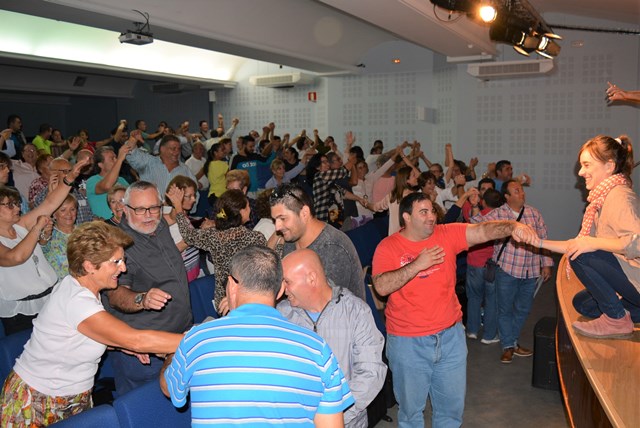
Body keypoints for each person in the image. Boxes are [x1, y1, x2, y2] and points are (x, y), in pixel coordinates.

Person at [372, 192, 541, 427]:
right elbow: (381, 286)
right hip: (408, 342)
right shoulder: (389, 246)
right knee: (411, 414)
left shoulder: (446, 234)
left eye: (432, 210)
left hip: (450, 338)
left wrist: (513, 226)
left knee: (451, 412)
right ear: (407, 217)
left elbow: (483, 231)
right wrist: (418, 264)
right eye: (424, 212)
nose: (431, 216)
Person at [0, 221, 183, 426]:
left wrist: (121, 343)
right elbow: (138, 340)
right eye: (116, 262)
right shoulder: (76, 301)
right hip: (38, 401)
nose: (123, 268)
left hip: (72, 396)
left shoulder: (82, 288)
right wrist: (203, 338)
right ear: (89, 266)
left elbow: (88, 335)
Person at [160, 245, 354, 427]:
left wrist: (171, 356)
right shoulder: (317, 348)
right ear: (280, 291)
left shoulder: (196, 340)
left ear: (231, 285)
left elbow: (169, 389)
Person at [532, 134, 640, 339]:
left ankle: (617, 320)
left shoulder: (620, 196)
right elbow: (578, 243)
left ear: (609, 166)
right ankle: (623, 313)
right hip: (630, 279)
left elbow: (637, 244)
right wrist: (536, 242)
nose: (581, 172)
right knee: (583, 304)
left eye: (587, 165)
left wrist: (592, 242)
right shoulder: (601, 200)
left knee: (581, 254)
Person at [278, 249, 387, 428]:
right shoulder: (282, 314)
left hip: (346, 421)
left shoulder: (355, 311)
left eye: (287, 282)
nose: (283, 289)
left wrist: (332, 418)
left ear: (311, 279)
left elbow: (370, 373)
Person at [102, 181, 192, 395]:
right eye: (140, 209)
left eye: (154, 207)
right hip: (145, 354)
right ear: (124, 209)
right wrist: (142, 299)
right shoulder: (117, 245)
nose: (149, 215)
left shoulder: (158, 225)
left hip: (179, 338)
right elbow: (116, 296)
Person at [0, 156, 89, 334]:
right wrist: (38, 227)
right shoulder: (25, 226)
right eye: (10, 205)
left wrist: (69, 178)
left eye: (17, 203)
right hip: (21, 312)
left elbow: (50, 203)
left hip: (49, 300)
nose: (17, 208)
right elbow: (15, 257)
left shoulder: (20, 225)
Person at [472, 179, 553, 363]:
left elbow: (543, 239)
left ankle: (512, 341)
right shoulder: (499, 214)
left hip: (531, 271)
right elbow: (477, 223)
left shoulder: (534, 213)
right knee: (505, 309)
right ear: (507, 197)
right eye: (516, 191)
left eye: (522, 190)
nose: (522, 193)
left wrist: (546, 263)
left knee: (523, 309)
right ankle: (508, 345)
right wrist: (475, 204)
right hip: (506, 270)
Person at [167, 187, 266, 315]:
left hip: (223, 302)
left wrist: (178, 208)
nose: (250, 209)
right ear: (240, 212)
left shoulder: (213, 236)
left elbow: (187, 235)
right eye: (247, 207)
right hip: (250, 299)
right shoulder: (255, 238)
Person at [268, 183, 365, 301]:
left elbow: (328, 308)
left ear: (304, 213)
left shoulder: (333, 247)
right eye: (275, 220)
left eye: (283, 218)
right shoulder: (291, 240)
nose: (277, 227)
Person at [163, 176, 201, 282]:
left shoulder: (183, 213)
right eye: (189, 196)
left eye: (194, 195)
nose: (194, 199)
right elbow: (171, 251)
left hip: (191, 269)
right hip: (181, 275)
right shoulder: (168, 214)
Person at [86, 144, 131, 219]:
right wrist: (119, 160)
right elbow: (107, 186)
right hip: (105, 227)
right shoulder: (92, 181)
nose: (116, 160)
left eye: (116, 157)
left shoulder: (122, 180)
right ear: (101, 165)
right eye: (112, 159)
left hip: (124, 224)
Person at [41, 194, 77, 279]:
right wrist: (45, 235)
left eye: (72, 209)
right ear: (54, 214)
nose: (69, 214)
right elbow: (42, 245)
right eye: (63, 210)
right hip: (61, 287)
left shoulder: (84, 231)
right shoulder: (49, 233)